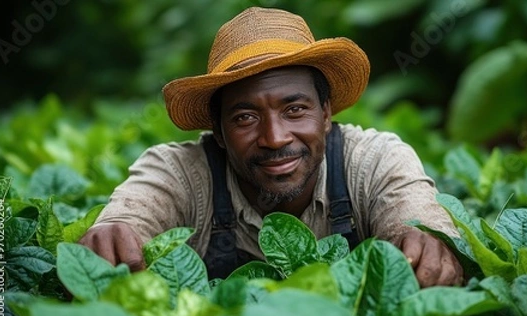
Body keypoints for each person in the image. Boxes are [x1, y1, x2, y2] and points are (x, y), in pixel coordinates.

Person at [79, 7, 464, 287]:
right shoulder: (181, 172)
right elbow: (133, 214)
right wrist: (115, 234)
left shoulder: (373, 160)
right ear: (218, 131)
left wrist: (426, 244)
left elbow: (417, 218)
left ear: (326, 113)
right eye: (245, 117)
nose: (275, 138)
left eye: (295, 109)